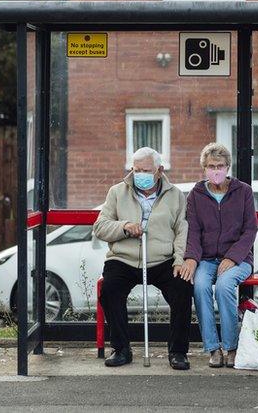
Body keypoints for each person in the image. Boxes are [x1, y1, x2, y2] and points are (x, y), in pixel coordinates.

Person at [93, 147, 193, 370]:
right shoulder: (117, 192)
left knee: (183, 288)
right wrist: (125, 227)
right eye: (136, 170)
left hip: (162, 259)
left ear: (159, 170)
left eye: (146, 170)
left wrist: (179, 259)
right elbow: (100, 227)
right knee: (110, 290)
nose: (140, 175)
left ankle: (177, 351)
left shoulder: (175, 195)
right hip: (124, 258)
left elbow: (181, 230)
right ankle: (121, 349)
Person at [180, 142, 258, 368]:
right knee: (200, 286)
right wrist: (192, 259)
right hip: (206, 258)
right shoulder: (195, 195)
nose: (216, 170)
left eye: (221, 165)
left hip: (239, 259)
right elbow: (192, 230)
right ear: (204, 168)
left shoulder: (243, 191)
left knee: (224, 287)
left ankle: (231, 347)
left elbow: (250, 230)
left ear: (227, 167)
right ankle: (213, 348)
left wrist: (232, 257)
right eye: (211, 166)